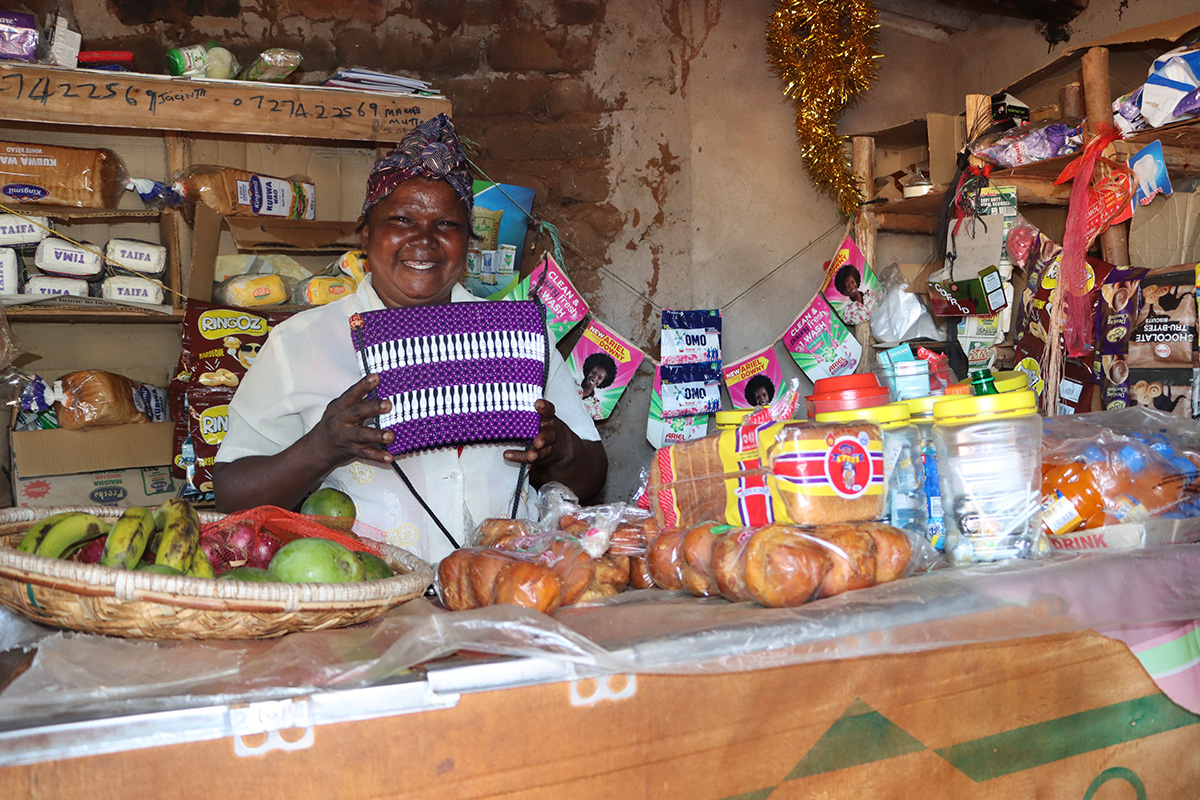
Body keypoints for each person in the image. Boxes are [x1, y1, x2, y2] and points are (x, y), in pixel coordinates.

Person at [213, 114, 607, 563]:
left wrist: (557, 448)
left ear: (468, 242)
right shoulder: (301, 343)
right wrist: (320, 449)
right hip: (371, 597)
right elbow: (230, 495)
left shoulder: (517, 335)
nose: (424, 241)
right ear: (366, 235)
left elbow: (592, 476)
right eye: (400, 220)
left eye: (446, 225)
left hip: (510, 587)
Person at [577, 351, 617, 418]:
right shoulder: (570, 381)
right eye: (593, 373)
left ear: (603, 382)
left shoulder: (595, 406)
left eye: (600, 378)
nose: (595, 378)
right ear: (588, 370)